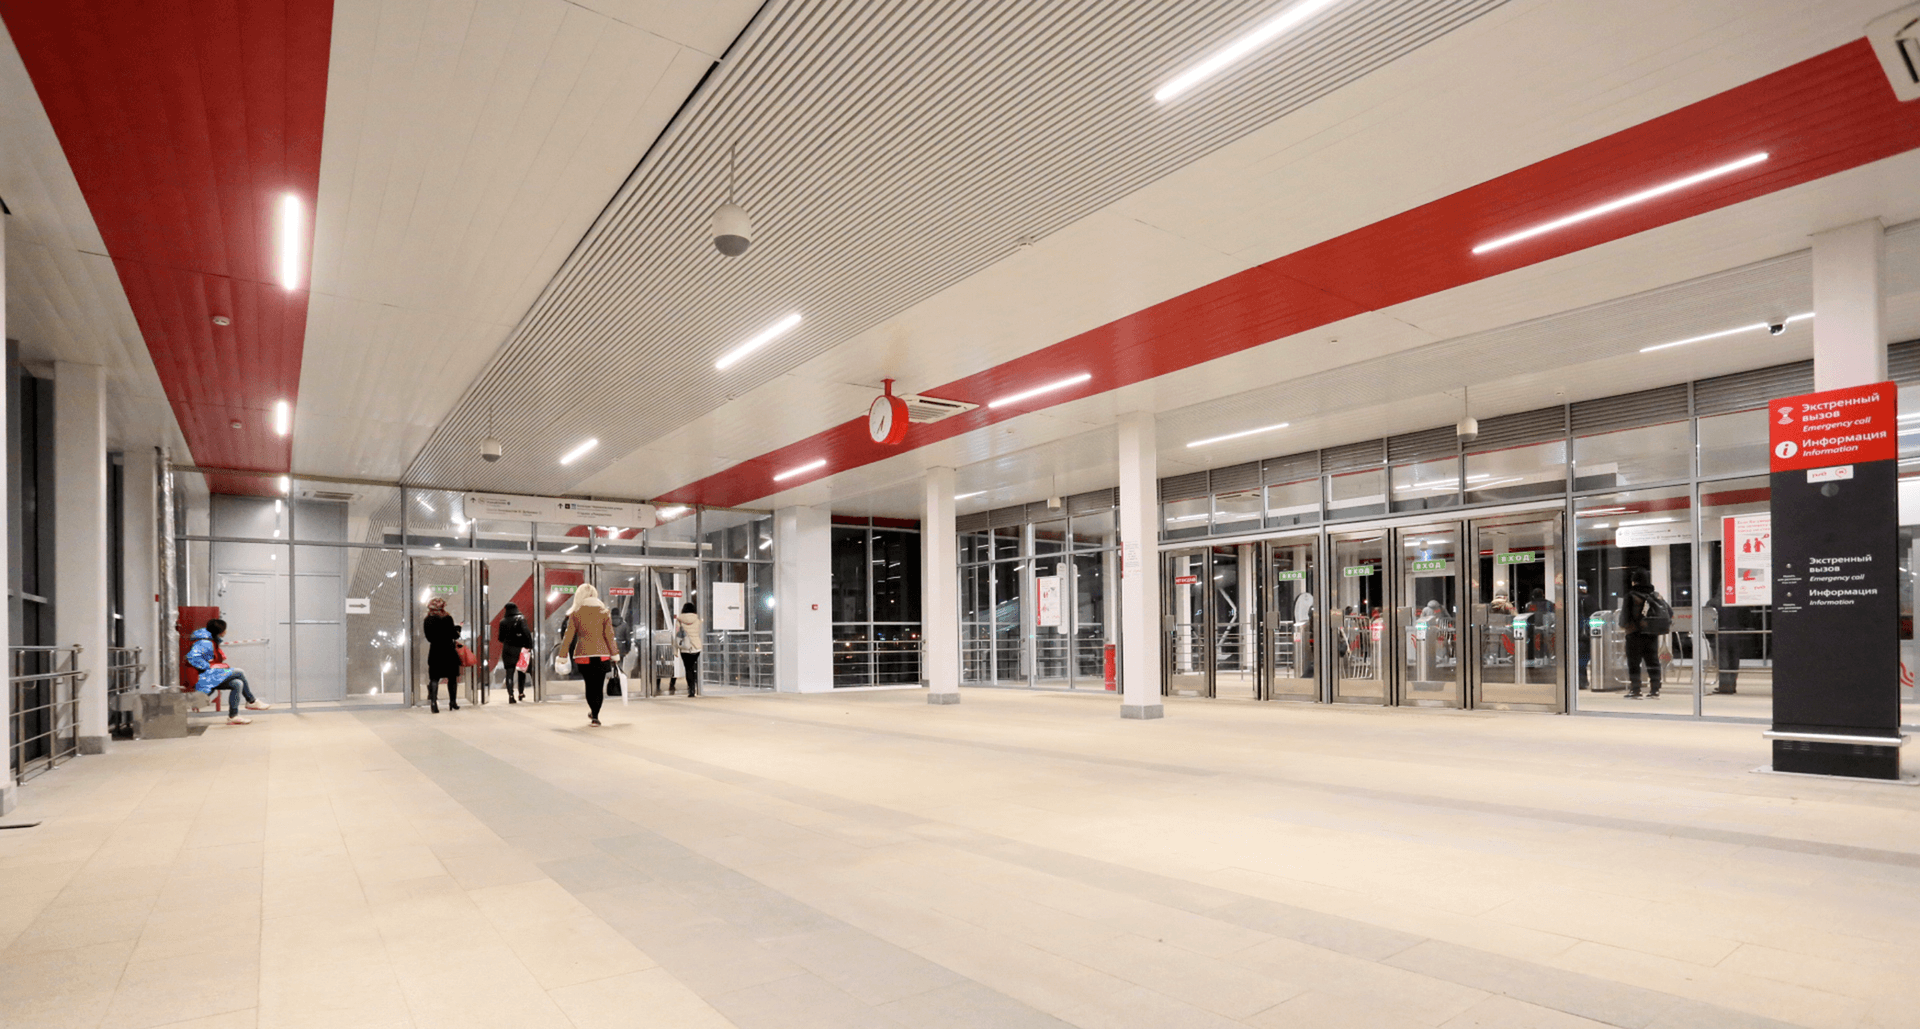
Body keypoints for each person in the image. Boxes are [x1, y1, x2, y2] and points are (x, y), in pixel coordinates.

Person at [185, 619, 270, 725]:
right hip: (204, 677)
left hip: (210, 676)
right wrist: (209, 666)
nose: (226, 632)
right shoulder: (205, 642)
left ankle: (233, 716)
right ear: (220, 631)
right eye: (224, 629)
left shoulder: (211, 640)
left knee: (237, 683)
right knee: (239, 672)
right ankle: (251, 701)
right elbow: (192, 657)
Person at [560, 583, 619, 726]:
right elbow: (609, 636)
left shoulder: (576, 613)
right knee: (598, 686)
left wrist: (562, 655)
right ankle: (595, 716)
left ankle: (593, 711)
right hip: (602, 655)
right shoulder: (604, 612)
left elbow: (568, 637)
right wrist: (614, 654)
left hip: (583, 655)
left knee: (589, 685)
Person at [1620, 569, 1665, 699]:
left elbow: (1624, 618)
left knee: (1634, 663)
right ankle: (1655, 690)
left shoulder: (1631, 596)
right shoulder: (1655, 596)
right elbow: (1669, 612)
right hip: (1651, 634)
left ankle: (1636, 690)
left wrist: (1626, 626)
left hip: (1634, 634)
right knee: (1653, 662)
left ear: (1634, 581)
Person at [422, 596, 462, 713]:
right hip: (449, 651)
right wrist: (457, 629)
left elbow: (429, 638)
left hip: (435, 651)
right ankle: (453, 702)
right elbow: (454, 635)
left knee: (434, 678)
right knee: (452, 677)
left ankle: (433, 703)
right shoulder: (448, 618)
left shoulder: (427, 620)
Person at [496, 602, 533, 703]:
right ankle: (521, 693)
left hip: (507, 649)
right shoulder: (521, 618)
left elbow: (500, 638)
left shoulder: (502, 621)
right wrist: (530, 646)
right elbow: (527, 633)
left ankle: (511, 696)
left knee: (509, 673)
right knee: (521, 671)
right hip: (520, 649)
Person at [675, 602, 704, 697]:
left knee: (688, 669)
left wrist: (675, 651)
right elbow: (699, 633)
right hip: (696, 648)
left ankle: (691, 689)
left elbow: (676, 636)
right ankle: (696, 685)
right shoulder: (697, 620)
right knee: (694, 667)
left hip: (685, 648)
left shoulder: (679, 620)